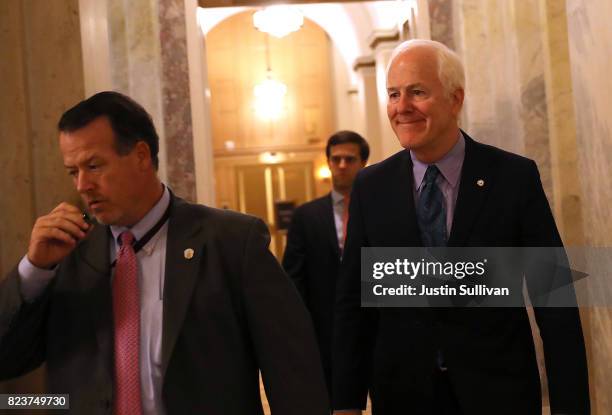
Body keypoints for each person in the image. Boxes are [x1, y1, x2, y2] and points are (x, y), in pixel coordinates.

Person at [0, 91, 329, 414]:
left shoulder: (231, 242)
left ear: (141, 156)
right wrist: (34, 270)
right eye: (74, 171)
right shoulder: (67, 252)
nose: (82, 185)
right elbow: (8, 360)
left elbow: (292, 371)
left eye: (94, 166)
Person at [332, 40, 590, 415]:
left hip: (499, 394)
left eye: (417, 92)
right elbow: (352, 303)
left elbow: (554, 299)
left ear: (455, 100)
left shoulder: (513, 177)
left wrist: (571, 405)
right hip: (404, 395)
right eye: (393, 94)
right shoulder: (372, 186)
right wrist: (345, 403)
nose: (401, 107)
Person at [283, 130, 369, 397]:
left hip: (374, 324)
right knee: (334, 399)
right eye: (336, 159)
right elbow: (293, 277)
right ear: (329, 162)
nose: (342, 165)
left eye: (350, 159)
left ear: (363, 162)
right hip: (324, 327)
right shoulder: (305, 216)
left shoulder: (379, 209)